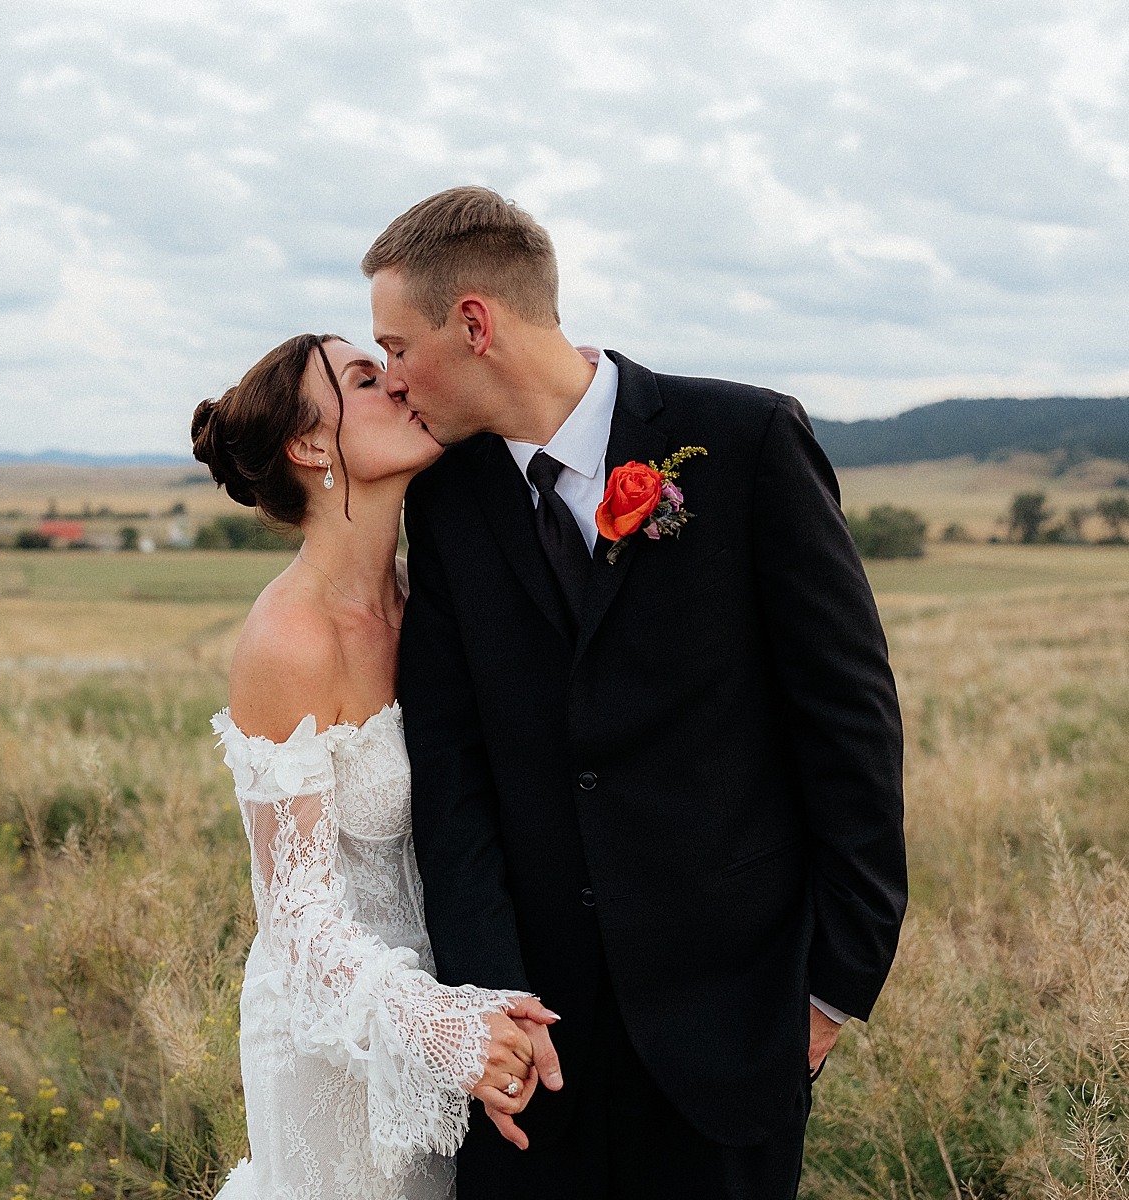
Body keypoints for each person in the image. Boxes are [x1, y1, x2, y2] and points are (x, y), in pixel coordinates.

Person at [366, 186, 909, 1198]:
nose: (392, 380)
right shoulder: (446, 505)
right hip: (536, 1054)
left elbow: (851, 724)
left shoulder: (742, 442)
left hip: (735, 1023)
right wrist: (490, 999)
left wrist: (833, 989)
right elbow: (452, 765)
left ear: (475, 323)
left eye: (397, 346)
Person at [192, 333, 562, 1200]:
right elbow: (298, 915)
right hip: (342, 1034)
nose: (398, 384)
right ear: (311, 445)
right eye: (364, 379)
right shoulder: (289, 637)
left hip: (460, 1008)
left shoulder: (422, 599)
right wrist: (440, 1027)